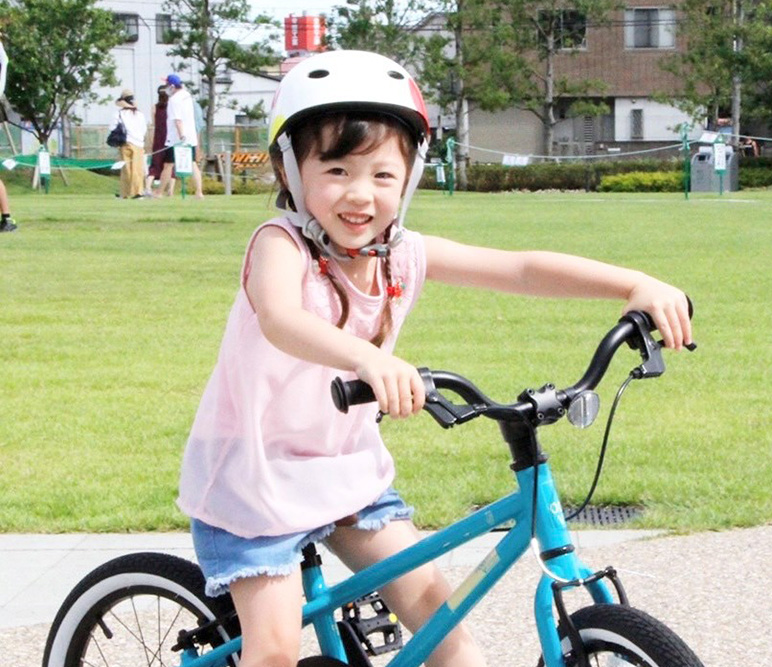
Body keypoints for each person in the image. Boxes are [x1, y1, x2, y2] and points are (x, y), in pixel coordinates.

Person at [176, 50, 693, 667]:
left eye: (382, 175)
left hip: (342, 470)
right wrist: (367, 360)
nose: (359, 194)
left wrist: (633, 284)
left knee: (443, 624)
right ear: (291, 171)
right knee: (275, 650)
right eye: (336, 170)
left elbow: (519, 268)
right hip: (253, 479)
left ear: (411, 178)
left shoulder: (401, 256)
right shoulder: (279, 245)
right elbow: (282, 319)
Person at [154, 73, 203, 198]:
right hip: (190, 136)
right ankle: (199, 192)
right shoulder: (187, 96)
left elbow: (178, 120)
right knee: (192, 163)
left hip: (176, 138)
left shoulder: (174, 100)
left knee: (168, 164)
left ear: (171, 86)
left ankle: (159, 192)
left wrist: (181, 136)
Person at [110, 89, 148, 199]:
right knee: (137, 168)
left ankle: (125, 192)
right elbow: (144, 129)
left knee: (126, 168)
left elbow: (112, 128)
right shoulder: (140, 114)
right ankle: (138, 191)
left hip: (126, 142)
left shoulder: (119, 114)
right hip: (139, 143)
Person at [145, 85, 173, 197]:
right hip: (170, 137)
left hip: (158, 137)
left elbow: (153, 123)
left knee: (155, 164)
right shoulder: (171, 106)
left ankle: (147, 187)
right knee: (170, 164)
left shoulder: (154, 107)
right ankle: (170, 189)